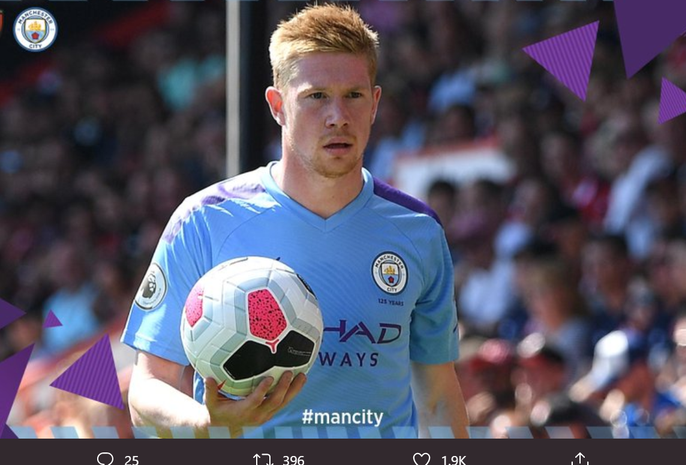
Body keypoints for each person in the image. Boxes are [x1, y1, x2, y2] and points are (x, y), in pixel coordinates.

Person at [122, 4, 467, 439]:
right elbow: (148, 388)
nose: (337, 116)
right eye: (316, 96)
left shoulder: (417, 229)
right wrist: (208, 422)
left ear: (375, 103)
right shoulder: (204, 220)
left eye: (353, 95)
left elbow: (437, 397)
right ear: (277, 104)